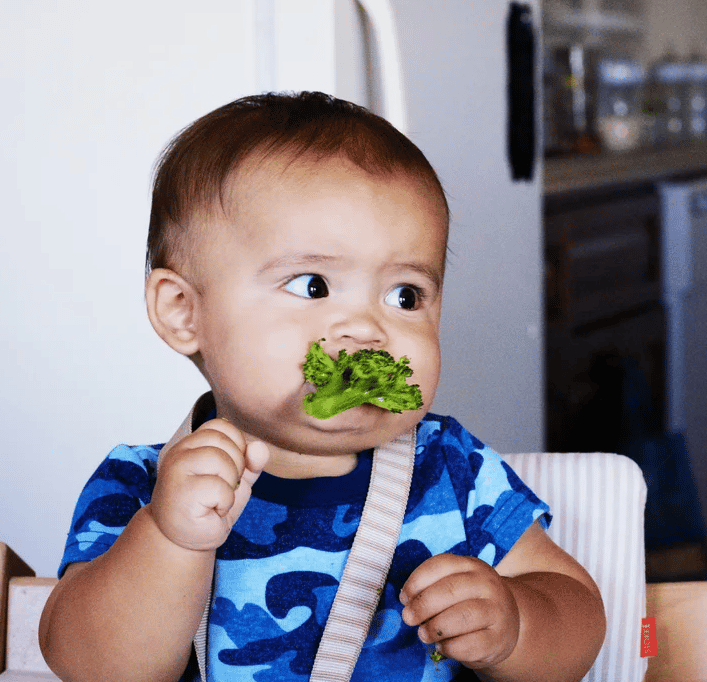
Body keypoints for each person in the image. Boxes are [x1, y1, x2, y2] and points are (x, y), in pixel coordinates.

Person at [38, 92, 605, 682]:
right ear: (184, 311)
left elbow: (578, 617)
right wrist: (167, 537)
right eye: (312, 285)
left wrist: (515, 623)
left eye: (404, 296)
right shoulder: (139, 486)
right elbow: (90, 667)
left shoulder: (452, 469)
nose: (366, 327)